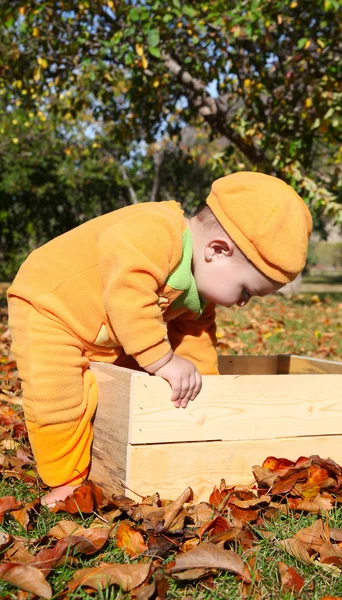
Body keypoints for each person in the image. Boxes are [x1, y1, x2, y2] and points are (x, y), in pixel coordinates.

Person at [7, 171, 312, 505]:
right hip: (52, 306)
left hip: (107, 329)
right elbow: (127, 293)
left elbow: (196, 338)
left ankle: (108, 443)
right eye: (246, 291)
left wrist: (208, 395)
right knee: (57, 392)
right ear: (217, 250)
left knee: (124, 386)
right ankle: (65, 480)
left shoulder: (199, 292)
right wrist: (163, 359)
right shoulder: (156, 232)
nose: (242, 303)